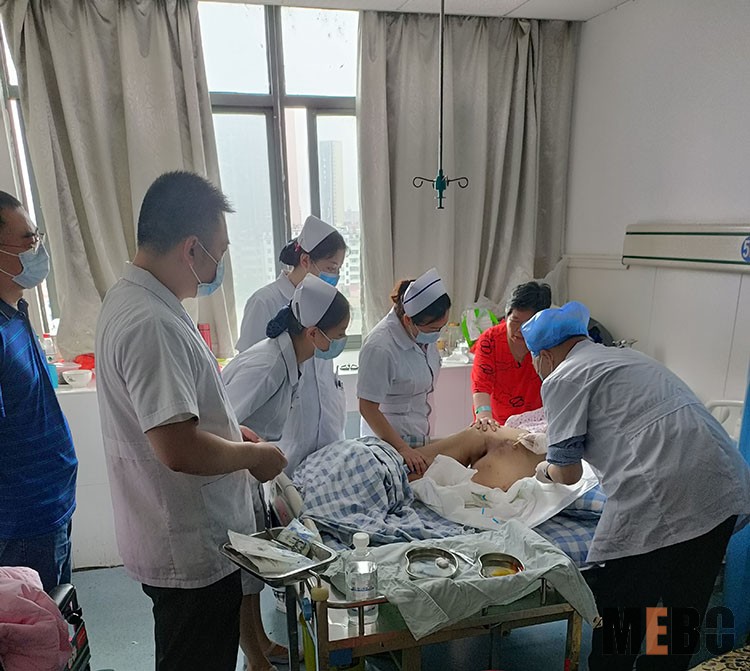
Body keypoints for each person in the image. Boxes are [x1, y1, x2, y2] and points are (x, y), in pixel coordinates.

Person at [95, 171, 287, 671]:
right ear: (191, 249)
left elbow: (177, 413)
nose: (217, 266)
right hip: (188, 543)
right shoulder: (151, 322)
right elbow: (177, 447)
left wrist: (232, 435)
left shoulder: (140, 299)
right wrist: (252, 456)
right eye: (218, 253)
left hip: (180, 534)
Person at [521, 301, 750, 671]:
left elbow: (568, 474)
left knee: (623, 615)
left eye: (534, 361)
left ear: (545, 356)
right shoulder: (630, 358)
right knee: (677, 614)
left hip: (661, 495)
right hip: (720, 484)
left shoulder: (562, 377)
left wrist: (544, 469)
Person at [222, 273, 349, 671]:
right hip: (230, 477)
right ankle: (255, 660)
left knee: (250, 577)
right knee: (242, 574)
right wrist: (257, 452)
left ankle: (260, 644)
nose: (341, 342)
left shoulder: (290, 359)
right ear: (313, 333)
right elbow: (219, 427)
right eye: (338, 335)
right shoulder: (266, 366)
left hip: (248, 474)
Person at [0, 191, 78, 592]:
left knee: (61, 613)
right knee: (38, 623)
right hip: (22, 523)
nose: (37, 249)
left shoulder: (15, 312)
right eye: (28, 240)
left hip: (51, 507)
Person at [236, 215, 347, 476]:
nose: (335, 276)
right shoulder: (265, 302)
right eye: (330, 267)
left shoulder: (327, 302)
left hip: (327, 438)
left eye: (339, 269)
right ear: (305, 260)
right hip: (287, 440)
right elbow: (252, 378)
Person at [358, 268, 451, 475]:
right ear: (408, 320)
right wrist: (402, 448)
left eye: (441, 327)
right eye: (433, 329)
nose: (437, 335)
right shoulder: (380, 347)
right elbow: (367, 407)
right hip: (388, 446)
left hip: (418, 437)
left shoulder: (422, 335)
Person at [471, 281, 551, 429]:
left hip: (535, 425)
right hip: (496, 424)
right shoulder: (490, 341)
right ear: (506, 316)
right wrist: (484, 418)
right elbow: (481, 386)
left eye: (528, 324)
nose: (520, 330)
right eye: (515, 321)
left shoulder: (549, 343)